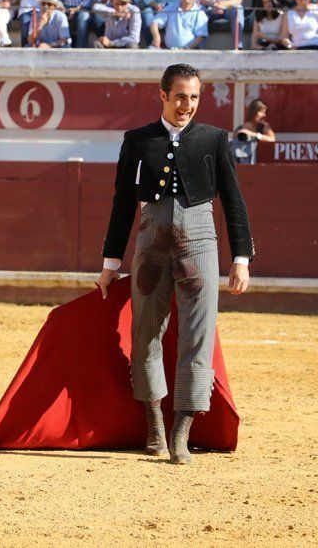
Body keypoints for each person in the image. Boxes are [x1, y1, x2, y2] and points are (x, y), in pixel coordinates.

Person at [97, 64, 254, 465]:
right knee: (145, 333)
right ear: (163, 95)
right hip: (150, 244)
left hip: (200, 242)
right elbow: (121, 203)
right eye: (180, 96)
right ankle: (154, 429)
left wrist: (241, 258)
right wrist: (111, 261)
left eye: (194, 97)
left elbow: (233, 201)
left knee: (197, 337)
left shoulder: (215, 140)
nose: (187, 105)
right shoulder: (138, 140)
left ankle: (181, 432)